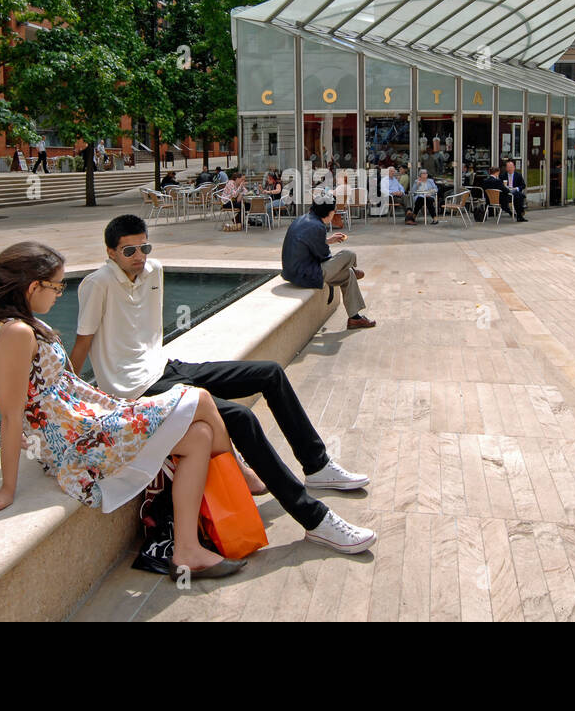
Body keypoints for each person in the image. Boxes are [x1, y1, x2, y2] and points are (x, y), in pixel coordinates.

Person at [69, 216, 375, 555]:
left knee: (270, 372)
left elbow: (147, 333)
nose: (139, 256)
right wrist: (73, 402)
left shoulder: (153, 271)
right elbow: (84, 343)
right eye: (129, 251)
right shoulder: (96, 284)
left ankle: (317, 466)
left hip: (165, 368)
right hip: (136, 390)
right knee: (242, 419)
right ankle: (315, 520)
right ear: (110, 252)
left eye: (144, 247)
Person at [0, 241, 245, 579]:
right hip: (80, 443)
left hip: (88, 423)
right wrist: (7, 489)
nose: (59, 294)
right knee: (200, 399)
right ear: (34, 286)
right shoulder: (16, 332)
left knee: (199, 436)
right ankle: (244, 475)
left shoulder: (24, 323)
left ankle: (186, 550)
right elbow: (10, 412)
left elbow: (41, 395)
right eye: (56, 286)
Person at [282, 199, 376, 331]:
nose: (334, 214)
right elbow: (324, 257)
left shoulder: (304, 219)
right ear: (328, 213)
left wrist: (327, 240)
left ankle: (355, 319)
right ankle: (352, 267)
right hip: (306, 275)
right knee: (349, 254)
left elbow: (308, 243)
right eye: (334, 211)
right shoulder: (317, 226)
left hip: (293, 272)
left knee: (347, 275)